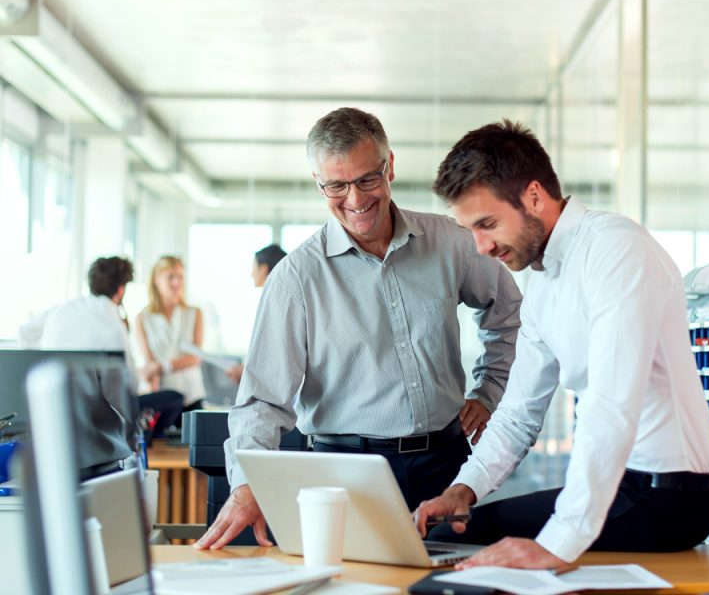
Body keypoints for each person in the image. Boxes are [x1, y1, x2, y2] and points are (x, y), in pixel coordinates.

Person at [195, 107, 522, 550]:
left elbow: (509, 314)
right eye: (336, 186)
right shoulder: (296, 278)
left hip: (444, 466)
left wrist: (489, 390)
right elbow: (262, 402)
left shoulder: (451, 242)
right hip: (342, 473)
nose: (355, 199)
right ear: (319, 182)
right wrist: (247, 485)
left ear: (389, 167)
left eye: (367, 179)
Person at [414, 120, 709, 570]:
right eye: (471, 231)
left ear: (534, 196)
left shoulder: (617, 251)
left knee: (471, 550)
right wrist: (464, 489)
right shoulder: (542, 283)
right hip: (627, 485)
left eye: (487, 224)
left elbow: (611, 402)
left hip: (670, 496)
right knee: (450, 535)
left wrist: (558, 543)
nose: (480, 247)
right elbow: (519, 413)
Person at [37, 256, 183, 469]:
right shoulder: (112, 325)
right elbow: (129, 386)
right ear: (121, 290)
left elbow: (25, 333)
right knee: (174, 398)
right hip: (95, 418)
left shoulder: (62, 309)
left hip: (55, 408)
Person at [135, 255, 205, 413]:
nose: (176, 283)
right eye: (170, 277)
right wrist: (152, 373)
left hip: (192, 396)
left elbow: (195, 357)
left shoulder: (194, 313)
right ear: (156, 280)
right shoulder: (142, 318)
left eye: (180, 277)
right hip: (163, 398)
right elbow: (150, 363)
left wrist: (163, 366)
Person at [225, 244, 288, 385]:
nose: (251, 274)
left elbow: (273, 351)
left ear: (263, 269)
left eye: (253, 268)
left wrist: (246, 371)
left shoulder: (277, 302)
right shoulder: (276, 299)